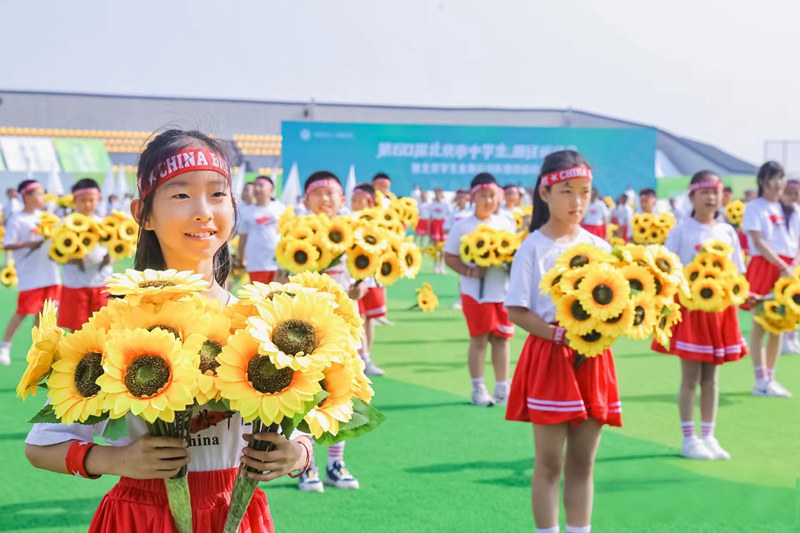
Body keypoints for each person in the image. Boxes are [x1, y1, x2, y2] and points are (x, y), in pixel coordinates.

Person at [24, 130, 313, 532]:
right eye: (180, 195)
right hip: (142, 514)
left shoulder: (262, 323)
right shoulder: (117, 325)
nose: (203, 212)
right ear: (144, 213)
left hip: (237, 510)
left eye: (217, 195)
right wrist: (116, 461)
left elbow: (298, 429)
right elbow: (41, 445)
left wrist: (298, 456)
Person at [505, 151, 621, 533]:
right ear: (545, 192)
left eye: (585, 192)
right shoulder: (532, 247)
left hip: (594, 355)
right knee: (551, 462)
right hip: (550, 355)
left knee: (584, 462)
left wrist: (608, 326)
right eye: (567, 191)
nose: (577, 202)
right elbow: (517, 311)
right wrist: (559, 333)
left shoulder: (600, 247)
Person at [652, 171, 747, 460]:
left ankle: (709, 435)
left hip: (719, 314)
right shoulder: (681, 231)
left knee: (712, 379)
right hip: (692, 312)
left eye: (716, 192)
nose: (711, 198)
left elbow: (737, 273)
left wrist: (743, 294)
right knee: (690, 378)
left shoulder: (727, 232)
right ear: (692, 196)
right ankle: (688, 438)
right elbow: (666, 270)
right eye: (705, 192)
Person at [297, 170, 363, 492]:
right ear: (306, 199)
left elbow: (362, 274)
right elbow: (285, 272)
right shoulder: (296, 232)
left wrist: (358, 289)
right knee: (306, 392)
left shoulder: (352, 233)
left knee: (341, 393)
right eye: (318, 193)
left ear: (342, 199)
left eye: (332, 193)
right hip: (306, 326)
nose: (326, 199)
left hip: (345, 323)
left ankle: (335, 463)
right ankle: (306, 464)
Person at [444, 173, 516, 407]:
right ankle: (478, 388)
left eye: (492, 196)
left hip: (503, 292)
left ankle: (503, 387)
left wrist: (508, 263)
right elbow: (450, 256)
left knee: (502, 339)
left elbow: (514, 253)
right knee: (479, 340)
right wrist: (471, 271)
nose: (488, 200)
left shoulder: (506, 222)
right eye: (483, 195)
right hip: (476, 294)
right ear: (473, 197)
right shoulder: (462, 225)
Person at [742, 161, 797, 397]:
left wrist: (792, 264)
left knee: (780, 324)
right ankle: (759, 378)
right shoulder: (755, 207)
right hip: (766, 266)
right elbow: (758, 240)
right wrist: (780, 263)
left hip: (786, 270)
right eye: (774, 178)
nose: (779, 183)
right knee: (760, 324)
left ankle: (770, 378)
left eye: (782, 177)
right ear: (763, 181)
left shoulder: (787, 208)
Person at [0, 179, 61, 365]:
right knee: (23, 311)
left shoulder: (46, 216)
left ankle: (39, 349)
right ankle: (5, 346)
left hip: (50, 273)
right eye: (39, 193)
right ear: (26, 196)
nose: (43, 197)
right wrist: (29, 243)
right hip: (30, 275)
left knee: (45, 313)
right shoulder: (18, 219)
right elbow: (6, 243)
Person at [57, 178, 112, 331]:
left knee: (103, 328)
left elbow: (112, 250)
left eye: (91, 200)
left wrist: (109, 259)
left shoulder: (104, 223)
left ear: (98, 199)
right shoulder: (65, 224)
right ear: (74, 200)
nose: (87, 204)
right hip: (76, 283)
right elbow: (55, 254)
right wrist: (72, 260)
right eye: (83, 200)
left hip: (101, 282)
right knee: (77, 330)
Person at [349, 183, 387, 376]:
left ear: (370, 201)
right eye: (353, 199)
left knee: (369, 319)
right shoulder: (346, 220)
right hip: (353, 277)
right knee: (358, 317)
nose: (355, 203)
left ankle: (366, 356)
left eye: (360, 199)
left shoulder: (377, 222)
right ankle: (360, 358)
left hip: (371, 277)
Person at [238, 175, 285, 285]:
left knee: (277, 295)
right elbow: (243, 236)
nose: (257, 188)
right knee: (258, 296)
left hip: (278, 261)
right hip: (256, 262)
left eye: (261, 185)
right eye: (255, 186)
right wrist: (240, 257)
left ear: (271, 190)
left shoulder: (280, 208)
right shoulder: (246, 211)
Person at [779, 179, 800, 355]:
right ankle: (784, 338)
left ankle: (792, 337)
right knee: (782, 299)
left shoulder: (797, 212)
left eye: (796, 194)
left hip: (795, 261)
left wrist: (796, 260)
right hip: (781, 262)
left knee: (795, 301)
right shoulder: (776, 211)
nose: (793, 197)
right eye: (790, 193)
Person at [429, 187, 451, 274]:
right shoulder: (432, 205)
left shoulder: (445, 204)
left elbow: (449, 215)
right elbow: (430, 218)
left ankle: (442, 266)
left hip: (442, 224)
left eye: (439, 193)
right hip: (435, 225)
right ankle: (435, 266)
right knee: (435, 247)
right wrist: (429, 231)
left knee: (442, 248)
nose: (437, 195)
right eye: (436, 193)